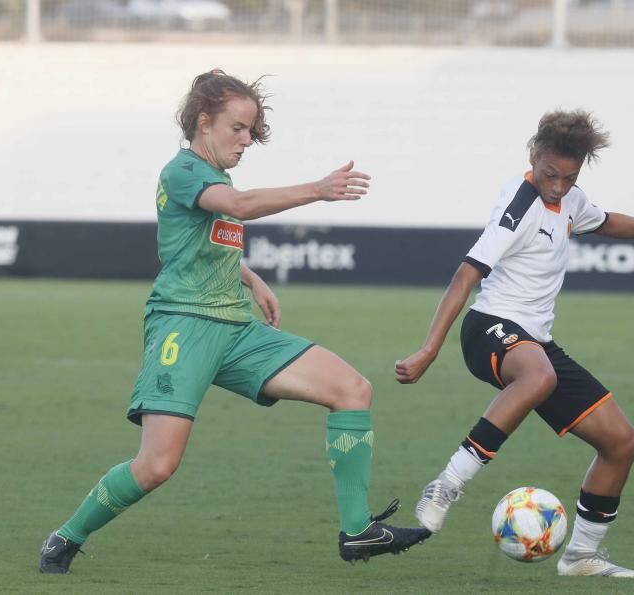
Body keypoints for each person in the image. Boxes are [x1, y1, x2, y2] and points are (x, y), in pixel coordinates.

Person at [39, 69, 430, 574]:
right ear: (204, 122)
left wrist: (251, 279)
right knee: (157, 465)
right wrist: (318, 189)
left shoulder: (215, 176)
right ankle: (66, 536)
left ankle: (357, 531)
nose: (247, 141)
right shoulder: (183, 172)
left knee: (352, 389)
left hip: (236, 328)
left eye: (251, 132)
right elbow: (240, 208)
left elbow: (200, 243)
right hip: (182, 327)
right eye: (238, 128)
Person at [395, 109, 634, 579]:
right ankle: (445, 485)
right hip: (488, 327)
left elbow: (605, 220)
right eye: (550, 174)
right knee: (539, 374)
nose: (556, 186)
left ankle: (581, 555)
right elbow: (465, 275)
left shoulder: (570, 199)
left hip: (534, 342)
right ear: (534, 156)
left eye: (568, 178)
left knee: (621, 442)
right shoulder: (520, 202)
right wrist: (430, 348)